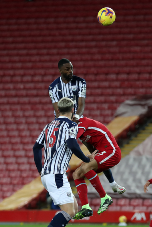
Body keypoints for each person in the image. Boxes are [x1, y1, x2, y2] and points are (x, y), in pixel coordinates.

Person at [48, 58, 123, 195]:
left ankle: (112, 184)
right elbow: (57, 109)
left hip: (78, 121)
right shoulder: (53, 87)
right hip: (64, 122)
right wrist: (65, 124)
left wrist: (76, 117)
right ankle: (62, 177)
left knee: (98, 153)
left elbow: (81, 104)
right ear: (60, 70)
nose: (70, 71)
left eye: (71, 68)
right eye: (67, 69)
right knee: (69, 147)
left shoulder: (80, 82)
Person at [33, 97, 95, 227]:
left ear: (58, 110)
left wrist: (40, 169)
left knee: (73, 209)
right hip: (56, 174)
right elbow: (72, 144)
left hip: (49, 174)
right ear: (73, 110)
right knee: (68, 211)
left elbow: (36, 147)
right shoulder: (71, 125)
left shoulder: (48, 126)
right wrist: (86, 159)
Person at [72, 116, 125, 219]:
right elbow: (93, 152)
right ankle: (85, 207)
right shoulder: (82, 135)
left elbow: (71, 140)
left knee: (85, 167)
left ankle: (104, 197)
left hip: (112, 151)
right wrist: (112, 183)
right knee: (76, 174)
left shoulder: (83, 123)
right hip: (103, 153)